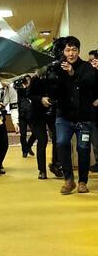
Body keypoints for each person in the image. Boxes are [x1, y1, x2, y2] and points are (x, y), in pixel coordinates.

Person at [53, 36, 97, 194]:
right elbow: (54, 89)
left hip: (84, 117)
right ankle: (68, 180)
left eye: (74, 50)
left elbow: (89, 84)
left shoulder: (87, 67)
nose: (70, 53)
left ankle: (83, 181)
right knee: (62, 143)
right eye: (67, 50)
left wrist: (72, 74)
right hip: (64, 115)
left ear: (79, 51)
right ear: (63, 51)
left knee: (83, 148)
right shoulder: (58, 68)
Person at [14, 75, 36, 158]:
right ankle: (24, 151)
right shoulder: (19, 89)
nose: (28, 81)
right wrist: (23, 85)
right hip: (22, 115)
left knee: (35, 133)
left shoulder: (33, 89)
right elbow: (21, 93)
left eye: (29, 80)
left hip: (31, 115)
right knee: (23, 135)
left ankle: (28, 146)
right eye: (26, 80)